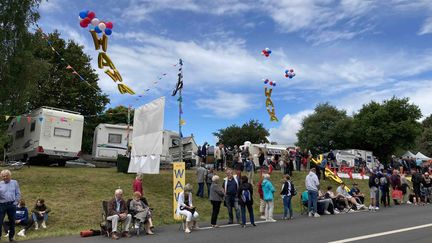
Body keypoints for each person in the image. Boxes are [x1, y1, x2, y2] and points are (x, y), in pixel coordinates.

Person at [0, 170, 21, 242]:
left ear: (10, 176)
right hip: (2, 205)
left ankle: (11, 237)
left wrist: (15, 203)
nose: (5, 177)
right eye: (3, 176)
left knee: (12, 222)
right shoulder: (0, 184)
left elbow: (18, 193)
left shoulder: (15, 182)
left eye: (6, 176)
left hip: (12, 205)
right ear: (1, 177)